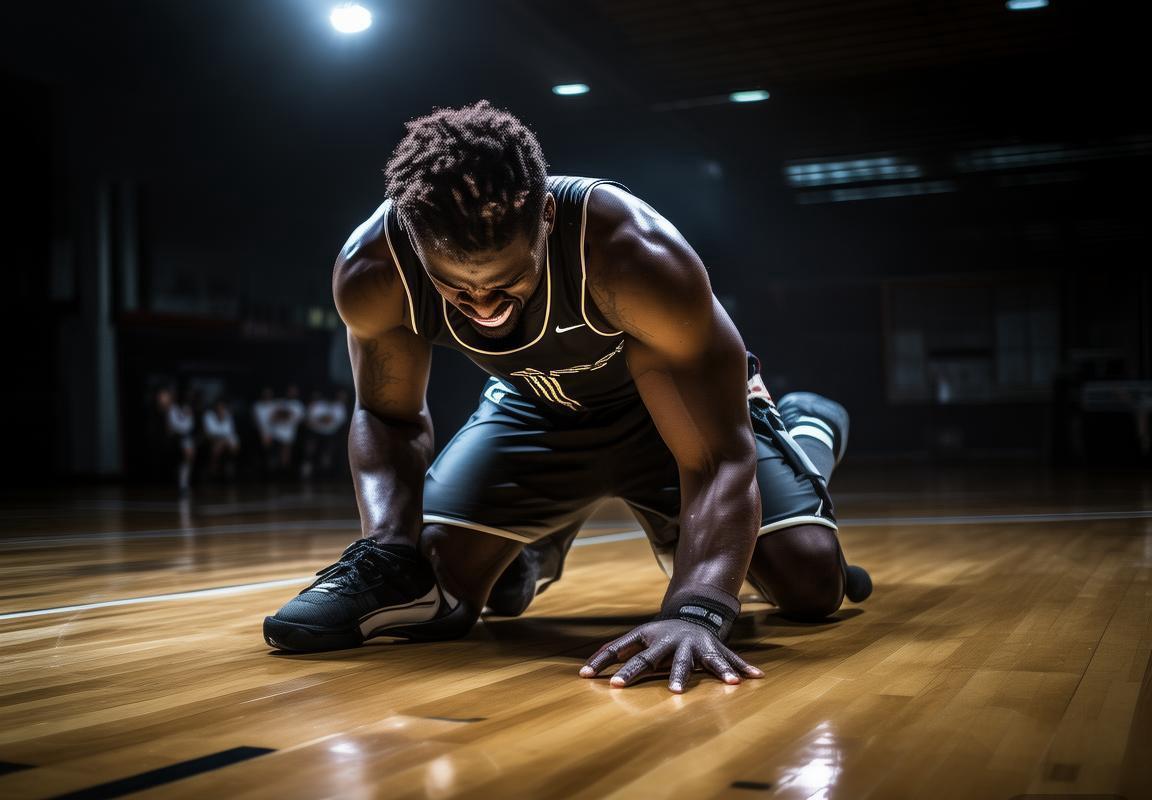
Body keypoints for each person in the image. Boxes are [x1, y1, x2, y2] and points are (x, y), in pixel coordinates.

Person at [263, 100, 871, 693]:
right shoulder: (376, 268)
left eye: (507, 282)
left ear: (547, 217)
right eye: (457, 290)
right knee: (440, 591)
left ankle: (806, 428)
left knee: (810, 583)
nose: (485, 309)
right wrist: (390, 550)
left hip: (666, 415)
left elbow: (717, 458)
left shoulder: (633, 253)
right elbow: (386, 414)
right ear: (417, 245)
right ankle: (532, 553)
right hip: (535, 407)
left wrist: (696, 609)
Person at [301, 389, 349, 481]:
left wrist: (323, 419)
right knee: (309, 454)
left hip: (331, 434)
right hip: (314, 433)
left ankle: (323, 476)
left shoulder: (339, 407)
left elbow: (337, 421)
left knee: (327, 455)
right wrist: (323, 419)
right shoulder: (317, 404)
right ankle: (306, 476)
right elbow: (308, 421)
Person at [202, 398, 240, 481]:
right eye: (219, 408)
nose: (221, 410)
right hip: (212, 440)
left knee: (234, 446)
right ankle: (213, 470)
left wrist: (224, 441)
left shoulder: (228, 415)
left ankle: (229, 468)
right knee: (216, 448)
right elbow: (209, 433)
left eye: (222, 408)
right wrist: (221, 440)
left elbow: (230, 432)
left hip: (226, 440)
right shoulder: (208, 415)